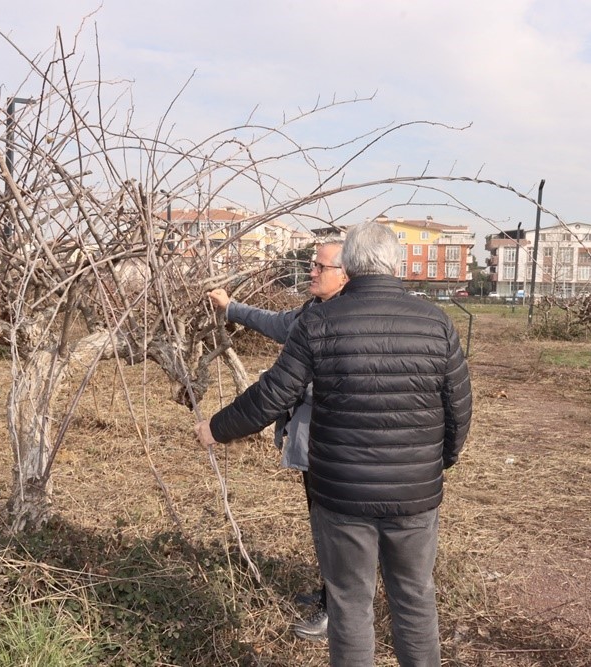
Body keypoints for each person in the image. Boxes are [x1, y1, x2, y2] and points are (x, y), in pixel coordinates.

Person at [196, 221, 472, 666]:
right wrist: (437, 463)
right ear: (394, 263)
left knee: (349, 603)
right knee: (415, 598)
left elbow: (274, 393)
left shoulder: (320, 321)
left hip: (341, 494)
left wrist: (216, 427)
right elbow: (459, 407)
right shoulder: (436, 322)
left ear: (352, 266)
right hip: (415, 493)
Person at [206, 240, 348, 641]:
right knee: (325, 524)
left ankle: (336, 611)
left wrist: (218, 429)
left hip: (333, 441)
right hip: (316, 439)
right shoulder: (312, 312)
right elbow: (277, 324)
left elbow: (277, 392)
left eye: (320, 267)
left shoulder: (339, 320)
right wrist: (231, 307)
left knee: (334, 530)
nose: (311, 272)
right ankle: (330, 594)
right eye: (312, 265)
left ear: (346, 273)